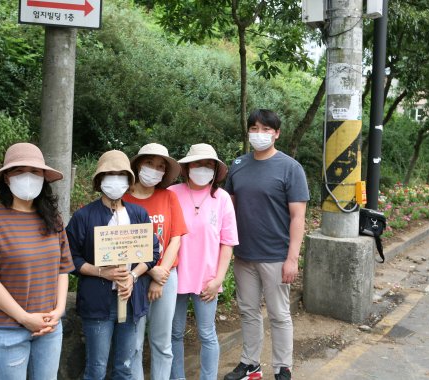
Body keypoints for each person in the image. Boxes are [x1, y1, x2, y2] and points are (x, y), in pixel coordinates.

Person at [0, 142, 75, 379]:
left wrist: (59, 310)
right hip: (7, 329)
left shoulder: (53, 219)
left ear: (44, 177)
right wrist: (24, 318)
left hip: (49, 326)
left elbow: (63, 269)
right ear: (6, 178)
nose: (27, 176)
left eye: (35, 171)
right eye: (19, 171)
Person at [223, 109, 310, 380]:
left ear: (277, 133)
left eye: (266, 129)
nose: (259, 134)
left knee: (279, 314)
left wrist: (292, 258)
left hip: (275, 255)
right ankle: (250, 363)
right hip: (244, 254)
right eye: (254, 128)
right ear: (248, 132)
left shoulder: (290, 168)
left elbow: (298, 217)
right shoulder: (237, 165)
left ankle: (283, 367)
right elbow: (228, 210)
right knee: (248, 311)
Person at [65, 150, 160, 380]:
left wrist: (133, 276)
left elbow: (151, 252)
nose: (115, 180)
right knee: (96, 369)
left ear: (129, 181)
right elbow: (71, 258)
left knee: (124, 367)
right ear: (100, 180)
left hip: (130, 300)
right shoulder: (83, 217)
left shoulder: (138, 214)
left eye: (121, 175)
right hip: (97, 303)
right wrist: (101, 272)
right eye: (109, 174)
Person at [169, 143, 239, 380]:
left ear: (215, 171)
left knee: (207, 334)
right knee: (174, 333)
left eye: (209, 165)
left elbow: (227, 242)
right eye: (198, 164)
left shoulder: (222, 199)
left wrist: (219, 278)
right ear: (187, 167)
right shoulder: (172, 193)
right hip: (175, 276)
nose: (203, 169)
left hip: (207, 279)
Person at [123, 143, 188, 380]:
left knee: (162, 341)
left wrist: (161, 276)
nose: (155, 169)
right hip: (134, 277)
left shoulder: (168, 197)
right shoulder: (123, 199)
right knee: (134, 342)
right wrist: (151, 273)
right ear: (139, 165)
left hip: (166, 277)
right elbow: (123, 243)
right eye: (150, 163)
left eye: (161, 166)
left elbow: (176, 239)